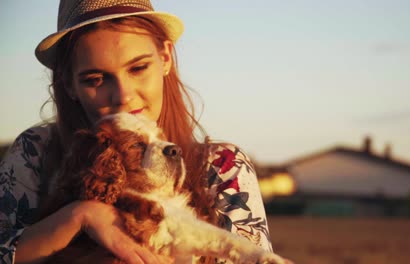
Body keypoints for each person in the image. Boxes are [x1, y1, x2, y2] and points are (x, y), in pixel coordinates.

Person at [0, 0, 278, 263]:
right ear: (69, 83)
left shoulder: (223, 165)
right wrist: (78, 216)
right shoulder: (35, 151)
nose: (122, 95)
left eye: (138, 68)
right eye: (95, 79)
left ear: (165, 57)